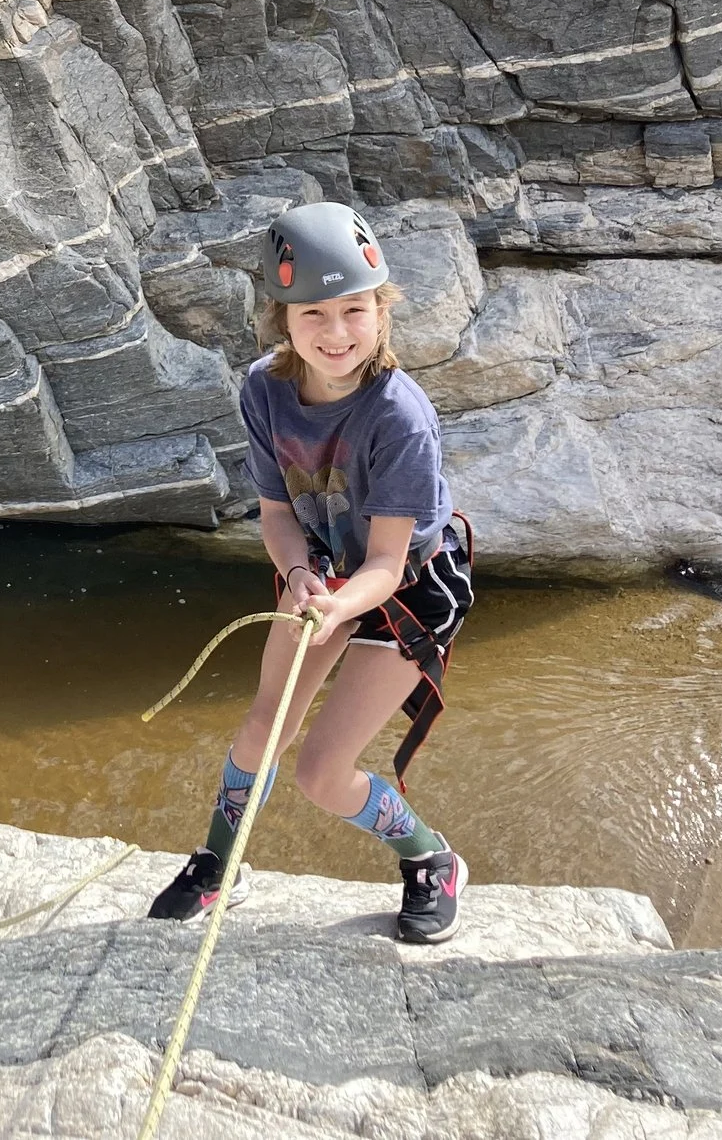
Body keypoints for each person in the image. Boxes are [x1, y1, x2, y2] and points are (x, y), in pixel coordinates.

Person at [148, 200, 476, 943]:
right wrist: (298, 573)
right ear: (282, 318)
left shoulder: (400, 418)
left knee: (321, 773)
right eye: (314, 313)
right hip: (325, 566)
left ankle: (431, 858)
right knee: (267, 720)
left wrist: (334, 604)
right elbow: (275, 513)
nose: (336, 333)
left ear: (382, 309)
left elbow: (390, 561)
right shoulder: (265, 388)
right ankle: (218, 862)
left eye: (355, 310)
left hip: (409, 589)